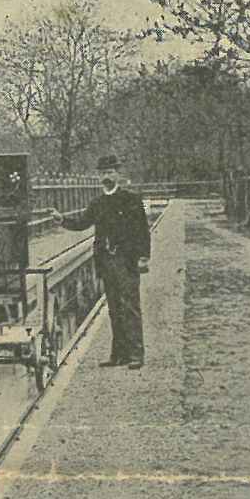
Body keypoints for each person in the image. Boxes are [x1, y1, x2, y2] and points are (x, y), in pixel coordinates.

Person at [51, 154, 151, 370]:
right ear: (99, 176)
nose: (106, 176)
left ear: (118, 174)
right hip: (106, 262)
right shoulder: (97, 203)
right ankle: (119, 355)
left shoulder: (131, 199)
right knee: (114, 308)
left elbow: (143, 230)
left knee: (130, 307)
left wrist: (143, 257)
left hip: (126, 261)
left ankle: (136, 354)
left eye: (110, 172)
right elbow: (82, 223)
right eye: (103, 173)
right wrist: (62, 220)